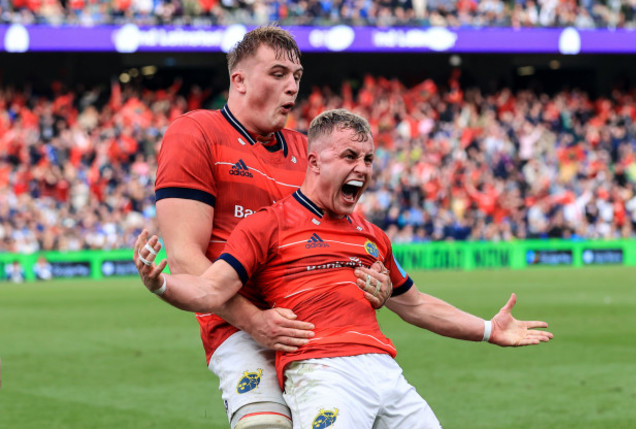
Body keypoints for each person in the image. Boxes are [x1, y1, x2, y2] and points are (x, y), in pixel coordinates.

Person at [136, 109, 554, 428]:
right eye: (350, 156)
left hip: (386, 371)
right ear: (313, 162)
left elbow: (417, 305)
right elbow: (210, 293)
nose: (363, 168)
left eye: (369, 159)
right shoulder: (267, 225)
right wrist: (160, 284)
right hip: (322, 371)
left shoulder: (371, 235)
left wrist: (488, 329)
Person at [153, 27, 392, 429]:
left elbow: (340, 239)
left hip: (318, 325)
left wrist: (373, 280)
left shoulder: (308, 150)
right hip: (238, 326)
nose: (292, 87)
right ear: (239, 80)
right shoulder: (195, 133)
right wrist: (253, 321)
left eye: (297, 76)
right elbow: (183, 258)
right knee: (265, 425)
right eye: (278, 74)